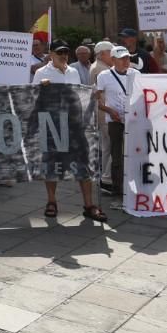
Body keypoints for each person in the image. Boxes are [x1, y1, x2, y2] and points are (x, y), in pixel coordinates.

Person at [33, 44, 106, 223]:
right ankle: (51, 202)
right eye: (60, 52)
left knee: (84, 163)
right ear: (51, 54)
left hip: (74, 124)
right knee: (51, 164)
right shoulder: (41, 73)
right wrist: (41, 89)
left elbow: (78, 93)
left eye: (66, 52)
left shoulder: (73, 71)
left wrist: (92, 95)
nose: (64, 55)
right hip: (52, 125)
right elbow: (32, 97)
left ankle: (89, 205)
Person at [98, 46, 135, 202]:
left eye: (127, 58)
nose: (126, 61)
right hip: (115, 121)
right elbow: (98, 100)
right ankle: (118, 189)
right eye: (122, 58)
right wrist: (110, 111)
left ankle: (133, 184)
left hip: (133, 120)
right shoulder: (104, 76)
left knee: (134, 152)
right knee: (116, 155)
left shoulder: (136, 74)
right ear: (113, 60)